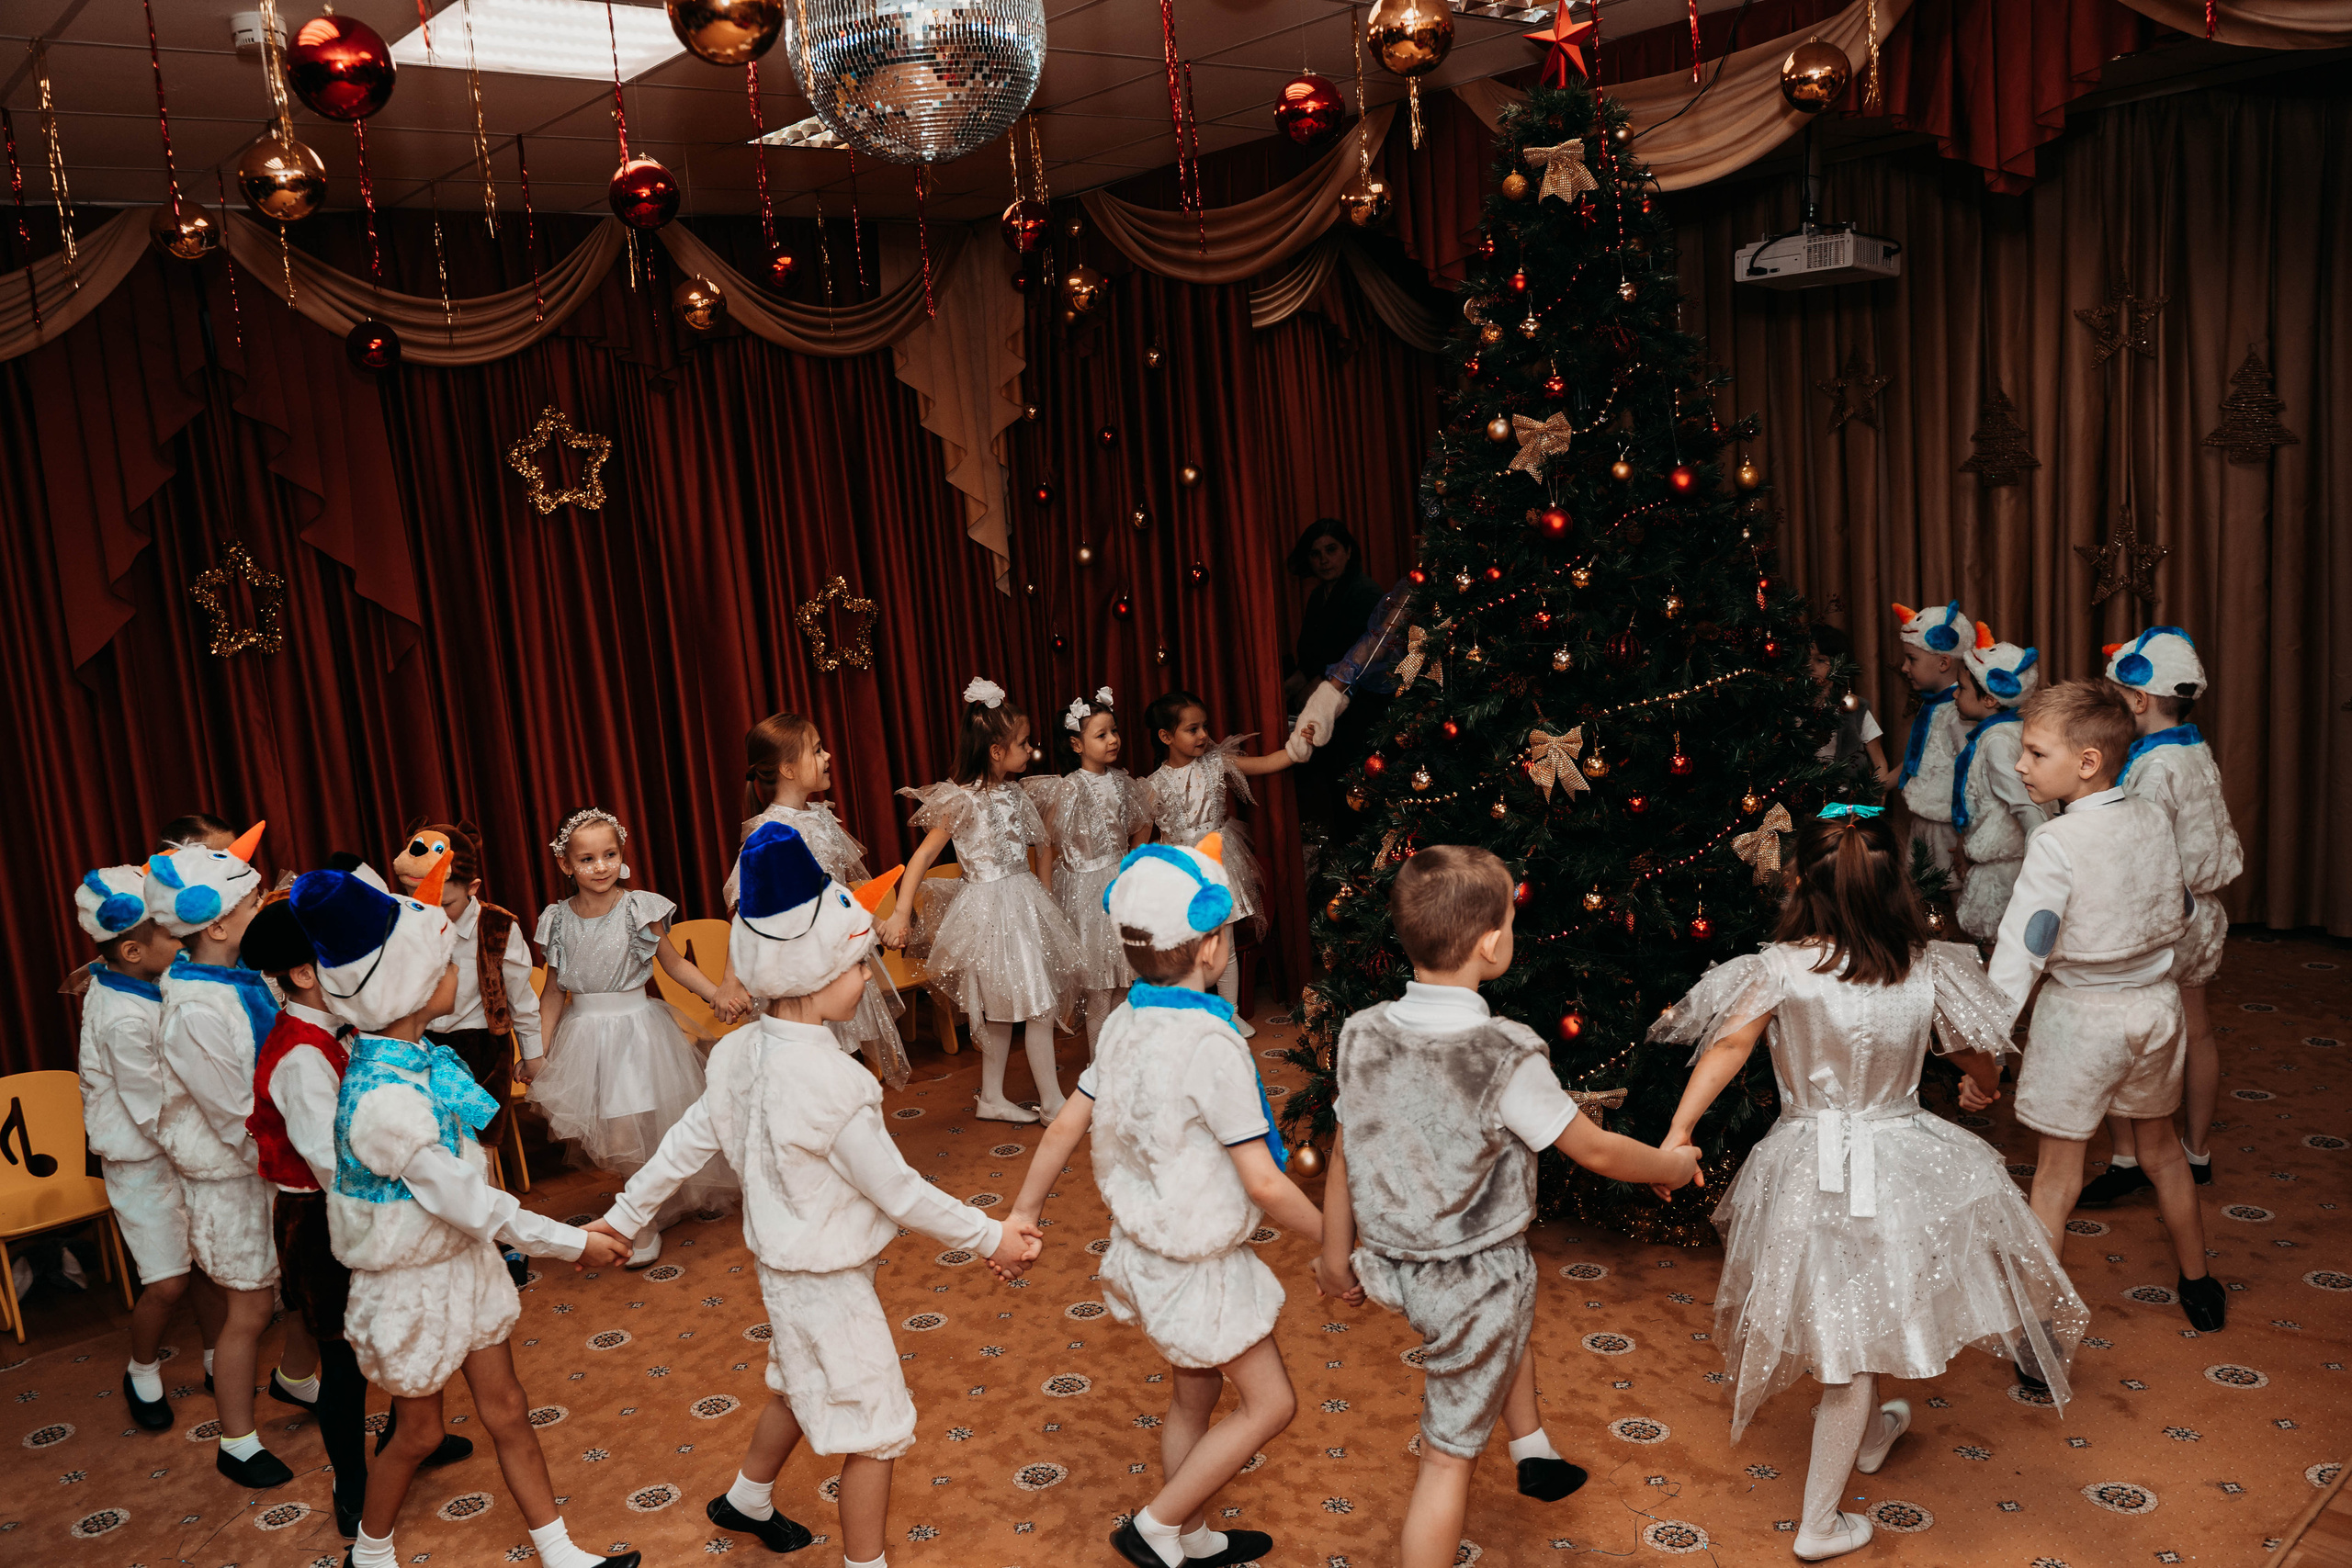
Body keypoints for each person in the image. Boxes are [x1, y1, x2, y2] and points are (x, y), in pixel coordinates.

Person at [585, 822, 1035, 1567]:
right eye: (857, 965)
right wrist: (991, 1236)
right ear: (813, 970)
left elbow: (684, 1145)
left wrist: (626, 1215)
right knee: (877, 1426)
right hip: (827, 1278)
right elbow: (898, 1191)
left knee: (796, 1378)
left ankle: (746, 1498)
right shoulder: (834, 1083)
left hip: (780, 1270)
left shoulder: (736, 1053)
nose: (867, 978)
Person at [1649, 806, 2087, 1562]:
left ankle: (1870, 1435)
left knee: (1857, 1313)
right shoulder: (1926, 965)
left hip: (1808, 1165)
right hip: (1901, 1159)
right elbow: (1976, 1054)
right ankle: (1820, 1522)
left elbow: (1728, 1046)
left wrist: (1679, 1129)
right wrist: (1984, 1086)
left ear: (1798, 882)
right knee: (1863, 1323)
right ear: (1896, 885)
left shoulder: (1780, 967)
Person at [1318, 845, 1702, 1568]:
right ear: (1492, 943)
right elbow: (1597, 1151)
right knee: (1445, 1456)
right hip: (1473, 1275)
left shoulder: (1361, 1032)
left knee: (1512, 1308)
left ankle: (1532, 1451)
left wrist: (1334, 1255)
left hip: (1395, 1258)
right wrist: (1674, 1168)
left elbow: (1346, 1146)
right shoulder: (1504, 1054)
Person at [288, 861, 635, 1568]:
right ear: (410, 985)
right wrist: (572, 1241)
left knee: (507, 1406)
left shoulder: (415, 1055)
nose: (459, 974)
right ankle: (372, 1552)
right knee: (415, 1432)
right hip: (409, 1281)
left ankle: (559, 1548)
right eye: (446, 964)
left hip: (462, 1261)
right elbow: (467, 1200)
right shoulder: (386, 1102)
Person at [1001, 838, 1317, 1568]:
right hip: (1198, 1258)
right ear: (1210, 949)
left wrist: (1024, 1210)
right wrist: (1337, 1241)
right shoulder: (1212, 1044)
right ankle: (1157, 1523)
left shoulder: (1124, 1023)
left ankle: (1191, 1533)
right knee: (1273, 1404)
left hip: (1146, 1247)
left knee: (1193, 1396)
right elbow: (1265, 1183)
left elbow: (1065, 1127)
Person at [1986, 679, 2223, 1332]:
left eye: (2035, 753)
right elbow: (2183, 908)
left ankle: (2037, 1330)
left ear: (2086, 762)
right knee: (2163, 1149)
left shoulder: (2056, 842)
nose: (2020, 764)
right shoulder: (2150, 816)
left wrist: (1983, 1036)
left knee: (2057, 1176)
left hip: (2082, 1021)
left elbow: (2021, 950)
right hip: (2155, 1010)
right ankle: (2200, 1283)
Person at [243, 890, 472, 1538]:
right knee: (344, 1361)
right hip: (321, 1221)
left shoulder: (341, 1030)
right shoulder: (298, 1053)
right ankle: (352, 1481)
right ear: (305, 973)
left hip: (360, 1206)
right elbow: (329, 1159)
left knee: (396, 1329)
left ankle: (410, 1434)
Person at [146, 822, 316, 1488]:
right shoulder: (193, 1008)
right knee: (250, 1308)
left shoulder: (248, 978)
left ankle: (295, 1375)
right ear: (216, 928)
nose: (260, 913)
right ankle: (237, 1438)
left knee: (301, 1289)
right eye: (250, 908)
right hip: (235, 1177)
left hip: (277, 1160)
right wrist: (292, 1153)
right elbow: (230, 1112)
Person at [529, 805, 738, 1268]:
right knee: (618, 1131)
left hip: (638, 1031)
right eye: (587, 859)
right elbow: (552, 992)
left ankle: (640, 1215)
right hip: (585, 1038)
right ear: (566, 864)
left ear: (621, 854)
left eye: (609, 854)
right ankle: (643, 1206)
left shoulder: (637, 908)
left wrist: (716, 994)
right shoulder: (558, 919)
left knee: (642, 1125)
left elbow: (674, 963)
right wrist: (536, 1051)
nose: (600, 866)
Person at [2078, 627, 2244, 1203]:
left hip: (2162, 919)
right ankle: (2195, 1154)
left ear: (2139, 700)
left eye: (2113, 696)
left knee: (2131, 1035)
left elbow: (2138, 848)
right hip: (2204, 917)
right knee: (2196, 1031)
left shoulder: (2150, 768)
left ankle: (2129, 1158)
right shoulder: (2194, 750)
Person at [877, 677, 1083, 1122]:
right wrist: (899, 913)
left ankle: (991, 1098)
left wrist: (1043, 895)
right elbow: (922, 857)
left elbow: (1040, 845)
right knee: (1036, 1006)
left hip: (1022, 903)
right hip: (991, 915)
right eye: (1023, 743)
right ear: (995, 750)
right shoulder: (961, 800)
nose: (1030, 750)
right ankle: (1053, 1104)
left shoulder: (1016, 792)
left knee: (1008, 1009)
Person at [717, 713, 910, 1089]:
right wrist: (731, 981)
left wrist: (880, 924)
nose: (828, 756)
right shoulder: (771, 831)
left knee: (839, 1066)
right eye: (817, 750)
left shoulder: (821, 817)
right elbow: (747, 909)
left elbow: (845, 888)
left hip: (837, 961)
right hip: (800, 968)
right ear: (788, 769)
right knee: (809, 1070)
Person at [70, 863, 197, 1433]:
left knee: (212, 1268)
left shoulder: (145, 979)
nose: (180, 942)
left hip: (180, 1147)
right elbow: (151, 1106)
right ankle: (141, 1367)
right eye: (169, 936)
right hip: (143, 1160)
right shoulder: (121, 1016)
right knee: (168, 1280)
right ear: (129, 950)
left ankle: (221, 1359)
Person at [1143, 689, 1305, 1037]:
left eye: (1204, 727)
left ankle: (1229, 1014)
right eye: (1192, 729)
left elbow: (1265, 763)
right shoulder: (1152, 786)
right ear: (1166, 736)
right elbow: (1141, 838)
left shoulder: (1217, 763)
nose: (1203, 736)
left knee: (1224, 945)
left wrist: (1298, 747)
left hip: (1218, 861)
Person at [390, 823, 542, 1179]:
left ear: (472, 888)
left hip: (481, 1051)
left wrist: (532, 1055)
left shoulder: (498, 927)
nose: (434, 915)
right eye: (423, 903)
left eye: (444, 903)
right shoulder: (407, 922)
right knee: (435, 1142)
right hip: (424, 1046)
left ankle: (486, 1222)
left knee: (478, 1145)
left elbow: (521, 998)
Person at [1027, 686, 1155, 1058]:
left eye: (1114, 731)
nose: (1113, 739)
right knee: (1100, 985)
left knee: (1125, 980)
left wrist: (1134, 863)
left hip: (1121, 885)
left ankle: (1121, 1055)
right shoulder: (1067, 788)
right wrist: (1048, 899)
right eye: (1101, 735)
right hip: (1087, 894)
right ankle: (1101, 1066)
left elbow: (1142, 824)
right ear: (1077, 745)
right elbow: (1046, 845)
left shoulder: (1123, 782)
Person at [1284, 521, 1387, 832]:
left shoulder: (1365, 592)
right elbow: (1310, 662)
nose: (1323, 560)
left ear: (1348, 551)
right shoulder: (1318, 597)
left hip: (1360, 710)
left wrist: (1308, 694)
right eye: (1315, 554)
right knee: (1331, 794)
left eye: (1331, 550)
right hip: (1327, 711)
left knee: (1356, 795)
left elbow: (1354, 661)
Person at [1951, 626, 2046, 942]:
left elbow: (2025, 804)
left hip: (2008, 873)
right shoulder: (2012, 731)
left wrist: (2045, 860)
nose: (1954, 693)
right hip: (2002, 864)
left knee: (1999, 948)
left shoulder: (1997, 742)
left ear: (1990, 699)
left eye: (1962, 688)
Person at [1889, 599, 1973, 870]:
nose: (1904, 667)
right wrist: (1887, 782)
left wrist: (1965, 833)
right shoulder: (1931, 704)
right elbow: (1924, 756)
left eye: (1911, 659)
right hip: (1923, 819)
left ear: (1943, 662)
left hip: (1948, 824)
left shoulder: (1960, 712)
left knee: (1951, 890)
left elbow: (1971, 771)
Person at [1806, 623, 1892, 782]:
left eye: (1820, 660)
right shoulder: (1791, 709)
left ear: (1839, 665)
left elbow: (1879, 761)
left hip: (1845, 798)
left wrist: (1876, 798)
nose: (1810, 667)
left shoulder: (1856, 708)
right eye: (1805, 659)